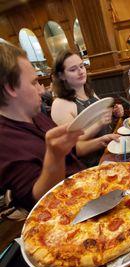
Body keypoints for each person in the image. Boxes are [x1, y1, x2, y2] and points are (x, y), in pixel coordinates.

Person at [0, 43, 84, 210]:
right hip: (64, 218)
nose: (42, 90)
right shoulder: (4, 140)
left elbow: (72, 151)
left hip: (85, 188)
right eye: (35, 82)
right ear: (11, 88)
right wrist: (55, 156)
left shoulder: (36, 113)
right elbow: (38, 201)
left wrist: (101, 140)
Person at [51, 50, 122, 166]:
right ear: (61, 75)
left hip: (110, 151)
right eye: (73, 69)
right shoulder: (60, 104)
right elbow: (74, 146)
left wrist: (114, 114)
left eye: (81, 66)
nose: (80, 71)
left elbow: (103, 120)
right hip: (92, 165)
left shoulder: (90, 92)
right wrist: (99, 123)